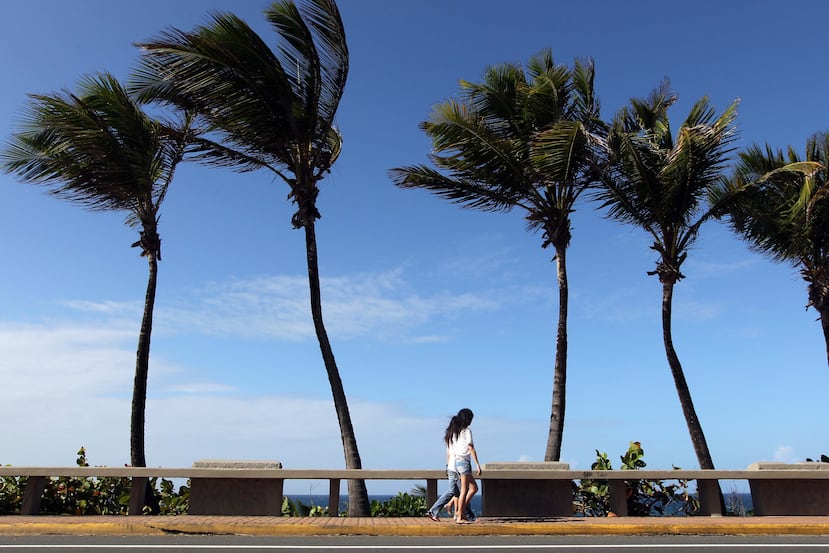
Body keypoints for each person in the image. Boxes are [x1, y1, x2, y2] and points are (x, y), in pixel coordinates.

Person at [446, 408, 480, 523]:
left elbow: (450, 449)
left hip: (455, 463)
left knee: (473, 488)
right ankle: (459, 516)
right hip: (464, 462)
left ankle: (460, 512)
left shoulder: (455, 431)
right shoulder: (466, 431)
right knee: (464, 490)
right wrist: (477, 464)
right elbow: (471, 447)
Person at [425, 445, 476, 521]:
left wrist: (448, 466)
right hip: (457, 468)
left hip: (451, 468)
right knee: (463, 491)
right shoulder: (459, 440)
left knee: (455, 491)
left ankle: (434, 511)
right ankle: (468, 515)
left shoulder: (449, 441)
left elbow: (448, 454)